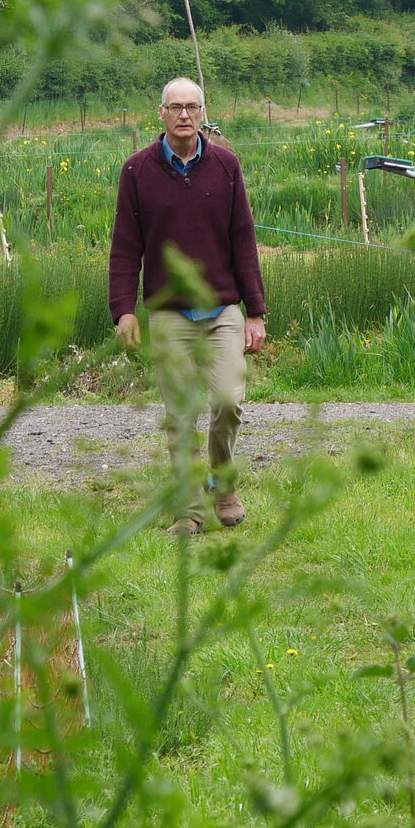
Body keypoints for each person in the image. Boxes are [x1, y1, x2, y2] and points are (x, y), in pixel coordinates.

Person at [108, 78, 267, 528]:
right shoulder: (136, 171)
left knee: (227, 402)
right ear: (160, 113)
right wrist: (123, 309)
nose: (184, 115)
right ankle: (189, 510)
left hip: (223, 310)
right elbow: (125, 246)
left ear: (202, 113)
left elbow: (243, 241)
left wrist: (255, 311)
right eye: (175, 107)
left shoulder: (226, 166)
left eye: (192, 107)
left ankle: (222, 483)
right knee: (180, 413)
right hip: (170, 313)